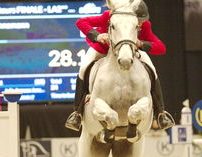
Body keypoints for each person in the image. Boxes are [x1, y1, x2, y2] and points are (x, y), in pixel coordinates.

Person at [65, 1, 175, 131]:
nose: (140, 24)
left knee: (152, 70)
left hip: (130, 52)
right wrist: (97, 36)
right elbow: (81, 22)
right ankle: (77, 113)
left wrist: (142, 44)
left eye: (141, 21)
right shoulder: (109, 16)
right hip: (102, 49)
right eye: (138, 20)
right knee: (84, 68)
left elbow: (161, 48)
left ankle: (160, 113)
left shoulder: (144, 25)